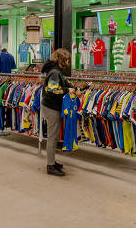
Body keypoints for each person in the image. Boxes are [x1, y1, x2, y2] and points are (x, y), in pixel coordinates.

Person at [41, 48, 80, 176]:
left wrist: (75, 88)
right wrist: (67, 91)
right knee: (53, 137)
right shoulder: (55, 73)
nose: (68, 62)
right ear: (62, 60)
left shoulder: (57, 72)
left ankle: (52, 160)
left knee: (55, 136)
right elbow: (52, 90)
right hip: (51, 107)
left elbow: (64, 84)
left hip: (53, 106)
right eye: (67, 60)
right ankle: (50, 165)